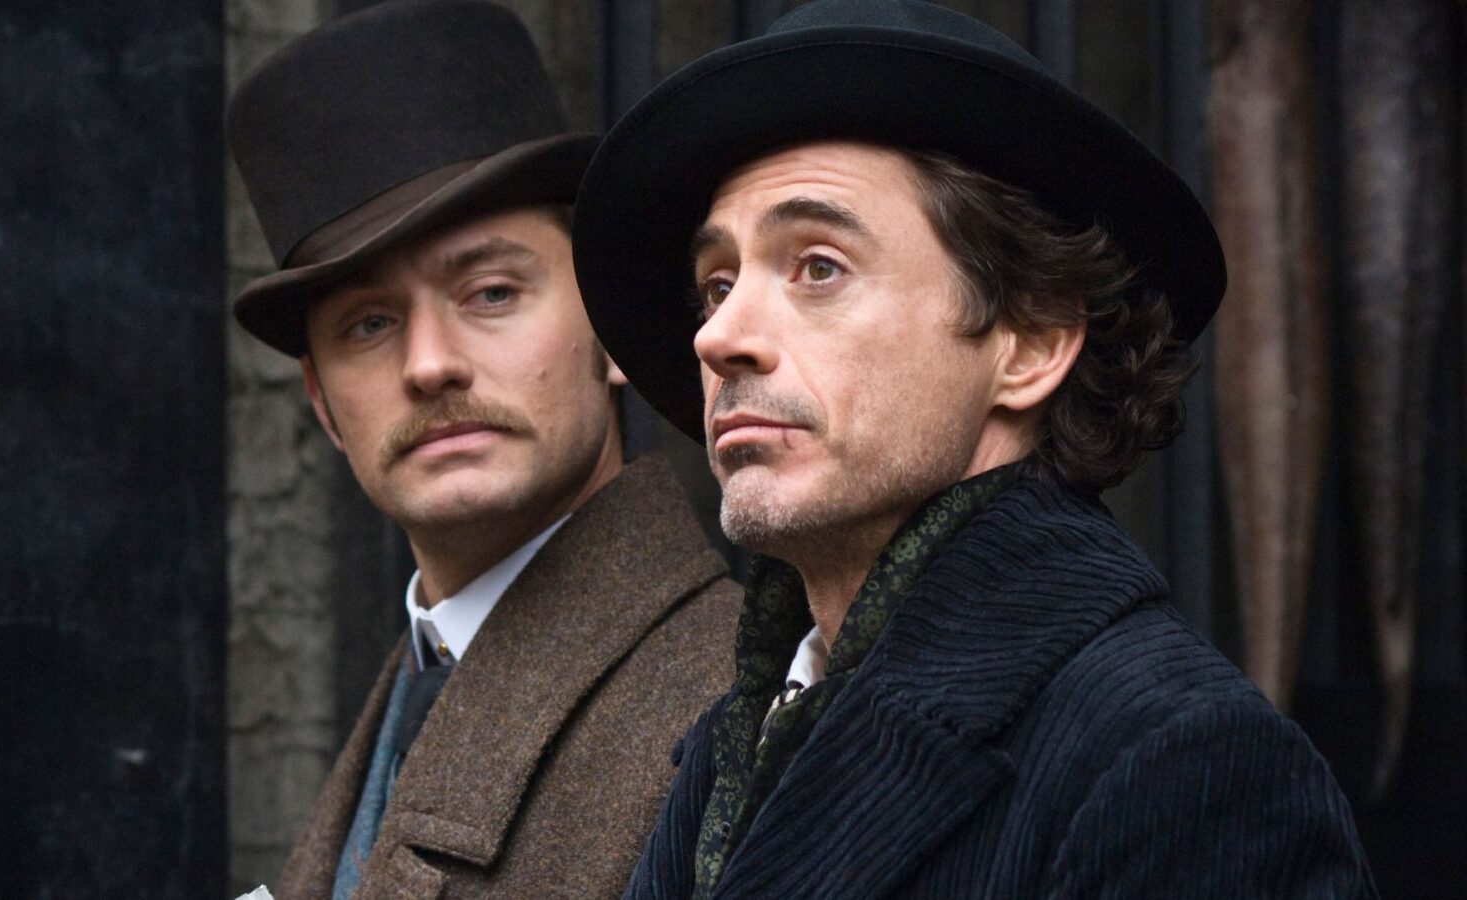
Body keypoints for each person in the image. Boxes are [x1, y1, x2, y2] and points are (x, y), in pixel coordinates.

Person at [570, 1, 1376, 896]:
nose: (718, 336)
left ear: (1030, 343)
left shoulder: (1179, 762)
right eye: (717, 284)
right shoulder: (733, 749)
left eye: (819, 267)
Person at [225, 1, 741, 896]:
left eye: (493, 293)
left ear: (613, 329)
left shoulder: (737, 709)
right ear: (322, 404)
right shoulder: (420, 680)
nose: (430, 364)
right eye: (369, 324)